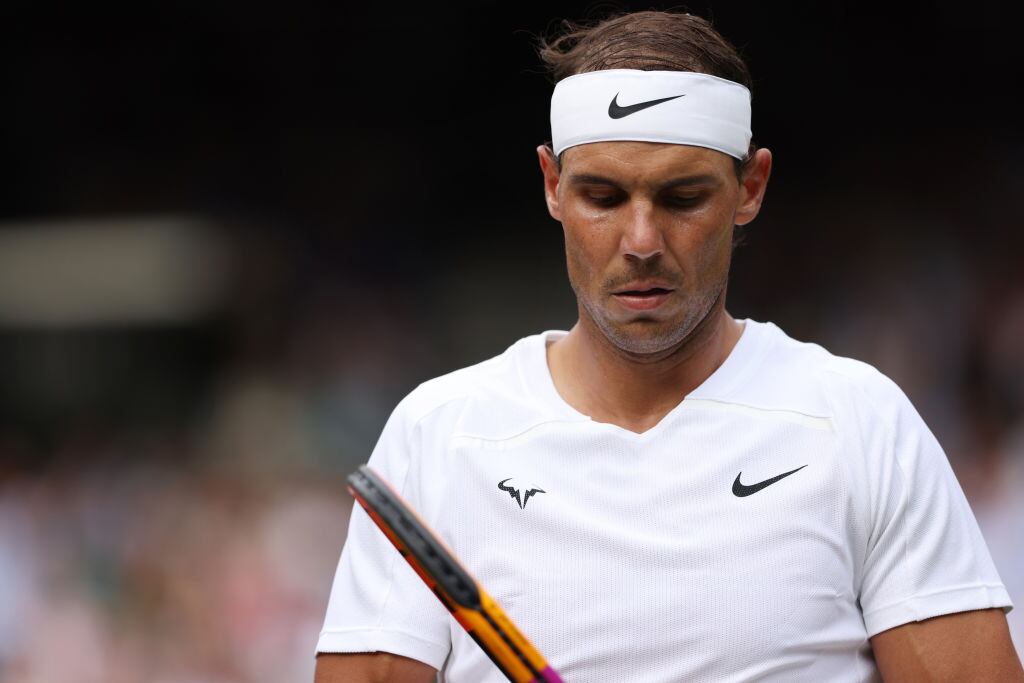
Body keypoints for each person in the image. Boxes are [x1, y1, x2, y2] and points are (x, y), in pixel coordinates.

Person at [314, 10, 1022, 682]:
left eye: (683, 198)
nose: (642, 242)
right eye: (603, 196)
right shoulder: (437, 436)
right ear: (552, 185)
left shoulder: (861, 423)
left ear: (751, 186)